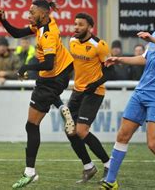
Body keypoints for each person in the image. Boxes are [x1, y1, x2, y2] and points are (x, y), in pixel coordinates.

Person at [0, 0, 74, 189]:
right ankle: (61, 106)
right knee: (32, 123)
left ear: (43, 14)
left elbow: (48, 63)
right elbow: (17, 33)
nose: (28, 15)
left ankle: (30, 172)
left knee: (32, 125)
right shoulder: (42, 24)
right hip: (56, 75)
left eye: (32, 12)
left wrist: (26, 67)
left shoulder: (47, 33)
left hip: (53, 77)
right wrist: (3, 21)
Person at [100, 0, 155, 190]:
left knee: (153, 144)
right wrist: (119, 59)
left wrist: (152, 40)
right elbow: (144, 59)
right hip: (141, 92)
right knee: (122, 135)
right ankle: (110, 181)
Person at [67, 13, 112, 183]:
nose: (76, 27)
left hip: (94, 92)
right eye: (75, 24)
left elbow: (110, 71)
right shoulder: (72, 41)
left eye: (80, 24)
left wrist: (95, 84)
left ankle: (109, 164)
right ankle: (88, 167)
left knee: (81, 131)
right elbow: (73, 65)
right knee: (70, 130)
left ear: (89, 27)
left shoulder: (99, 45)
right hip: (77, 91)